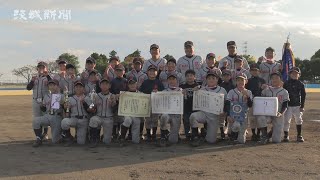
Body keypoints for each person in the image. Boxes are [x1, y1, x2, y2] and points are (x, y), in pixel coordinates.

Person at [189, 72, 227, 146]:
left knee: (211, 141)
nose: (211, 80)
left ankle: (204, 132)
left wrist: (224, 111)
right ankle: (195, 136)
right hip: (204, 114)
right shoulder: (202, 89)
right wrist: (195, 91)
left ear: (217, 80)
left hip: (215, 116)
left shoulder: (222, 90)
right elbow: (195, 100)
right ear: (206, 80)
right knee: (193, 116)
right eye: (209, 78)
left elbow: (227, 103)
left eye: (213, 78)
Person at [258, 72, 289, 144]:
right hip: (267, 113)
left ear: (280, 80)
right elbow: (260, 100)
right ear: (270, 80)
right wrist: (260, 89)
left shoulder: (284, 91)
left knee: (276, 140)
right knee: (260, 118)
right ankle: (264, 136)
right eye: (272, 78)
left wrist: (281, 113)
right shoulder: (266, 90)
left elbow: (285, 104)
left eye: (276, 78)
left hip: (278, 113)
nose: (274, 80)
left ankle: (271, 133)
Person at [32, 79, 64, 147]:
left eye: (53, 85)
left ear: (57, 86)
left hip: (57, 117)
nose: (51, 87)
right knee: (36, 120)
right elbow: (44, 110)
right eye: (50, 85)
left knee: (55, 141)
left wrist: (62, 104)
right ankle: (38, 138)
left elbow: (65, 109)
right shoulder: (47, 96)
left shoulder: (62, 96)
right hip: (48, 115)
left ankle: (62, 135)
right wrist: (42, 106)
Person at [88, 79, 117, 147]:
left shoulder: (113, 96)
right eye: (103, 84)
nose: (104, 86)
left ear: (109, 86)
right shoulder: (96, 96)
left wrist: (112, 104)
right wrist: (91, 107)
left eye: (106, 84)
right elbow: (92, 106)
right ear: (100, 86)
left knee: (107, 142)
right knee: (93, 120)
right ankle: (94, 139)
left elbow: (114, 110)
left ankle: (104, 136)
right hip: (99, 117)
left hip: (108, 118)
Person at [61, 80, 91, 146]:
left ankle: (85, 134)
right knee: (64, 122)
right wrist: (65, 107)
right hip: (74, 119)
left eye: (80, 87)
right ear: (74, 88)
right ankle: (69, 138)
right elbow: (67, 111)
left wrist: (84, 103)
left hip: (83, 120)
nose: (78, 88)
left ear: (83, 89)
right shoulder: (70, 99)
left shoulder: (88, 98)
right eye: (76, 87)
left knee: (81, 142)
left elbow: (91, 110)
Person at [139, 65, 165, 142]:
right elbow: (141, 92)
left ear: (157, 73)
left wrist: (158, 93)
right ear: (147, 72)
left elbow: (163, 92)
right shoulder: (145, 82)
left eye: (154, 71)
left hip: (156, 104)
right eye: (150, 71)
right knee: (147, 120)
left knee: (155, 119)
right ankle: (148, 135)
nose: (152, 72)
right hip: (147, 103)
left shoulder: (158, 82)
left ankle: (153, 134)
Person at [27, 61, 51, 140]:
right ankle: (39, 135)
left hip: (45, 101)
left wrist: (47, 76)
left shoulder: (47, 77)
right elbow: (28, 88)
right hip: (36, 100)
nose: (41, 69)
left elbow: (53, 84)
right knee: (37, 117)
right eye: (39, 67)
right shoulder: (34, 77)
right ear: (37, 69)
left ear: (46, 68)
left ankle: (45, 133)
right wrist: (32, 81)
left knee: (45, 117)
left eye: (43, 67)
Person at [226, 73, 253, 144]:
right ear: (236, 82)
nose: (240, 82)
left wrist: (247, 97)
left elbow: (250, 105)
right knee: (236, 125)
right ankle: (232, 135)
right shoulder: (231, 92)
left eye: (242, 80)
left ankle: (235, 134)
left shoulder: (249, 92)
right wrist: (228, 115)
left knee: (241, 141)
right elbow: (227, 104)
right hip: (233, 117)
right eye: (238, 80)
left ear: (246, 81)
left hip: (244, 117)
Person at [159, 74, 183, 147]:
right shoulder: (163, 91)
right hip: (167, 114)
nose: (172, 81)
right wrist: (155, 94)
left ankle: (169, 133)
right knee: (164, 117)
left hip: (176, 115)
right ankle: (163, 135)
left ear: (176, 80)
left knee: (173, 140)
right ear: (167, 81)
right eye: (170, 79)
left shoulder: (181, 90)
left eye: (173, 79)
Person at [118, 77, 144, 146]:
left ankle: (134, 136)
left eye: (134, 83)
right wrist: (117, 97)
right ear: (128, 85)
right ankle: (122, 138)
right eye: (130, 84)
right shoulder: (124, 94)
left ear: (137, 84)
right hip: (127, 115)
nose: (132, 85)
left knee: (136, 141)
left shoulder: (141, 94)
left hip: (136, 116)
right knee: (127, 120)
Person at [283, 67, 306, 142]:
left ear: (299, 75)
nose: (294, 74)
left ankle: (299, 135)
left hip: (297, 105)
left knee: (299, 120)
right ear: (289, 74)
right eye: (292, 73)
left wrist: (302, 106)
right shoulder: (286, 83)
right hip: (288, 105)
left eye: (296, 73)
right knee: (286, 120)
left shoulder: (301, 84)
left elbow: (303, 95)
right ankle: (286, 135)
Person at [245, 64, 267, 141]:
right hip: (251, 101)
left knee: (259, 118)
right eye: (253, 70)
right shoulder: (248, 81)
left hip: (260, 101)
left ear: (259, 71)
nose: (254, 72)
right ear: (250, 71)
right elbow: (246, 91)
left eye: (256, 70)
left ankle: (258, 133)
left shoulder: (262, 80)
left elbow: (264, 92)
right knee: (252, 118)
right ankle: (253, 134)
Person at [110, 64, 128, 140]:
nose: (119, 72)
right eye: (117, 70)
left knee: (122, 118)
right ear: (115, 72)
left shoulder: (126, 81)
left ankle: (121, 133)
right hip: (115, 102)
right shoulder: (112, 81)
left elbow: (128, 91)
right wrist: (114, 95)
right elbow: (110, 91)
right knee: (115, 118)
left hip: (124, 102)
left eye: (120, 71)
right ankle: (114, 133)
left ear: (124, 72)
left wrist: (122, 95)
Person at [180, 69, 199, 140]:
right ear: (185, 77)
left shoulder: (197, 86)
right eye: (187, 76)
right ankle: (187, 134)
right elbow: (177, 91)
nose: (189, 77)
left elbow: (203, 88)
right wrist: (181, 91)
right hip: (186, 107)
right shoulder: (182, 86)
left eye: (191, 75)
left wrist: (199, 88)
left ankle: (195, 133)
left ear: (194, 77)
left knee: (194, 121)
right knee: (186, 120)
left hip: (195, 108)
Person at [219, 69, 235, 139]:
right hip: (222, 104)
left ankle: (230, 131)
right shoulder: (219, 86)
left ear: (230, 77)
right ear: (222, 77)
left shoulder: (233, 86)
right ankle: (222, 131)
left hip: (230, 105)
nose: (226, 77)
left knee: (230, 118)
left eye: (227, 76)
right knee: (221, 119)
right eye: (224, 76)